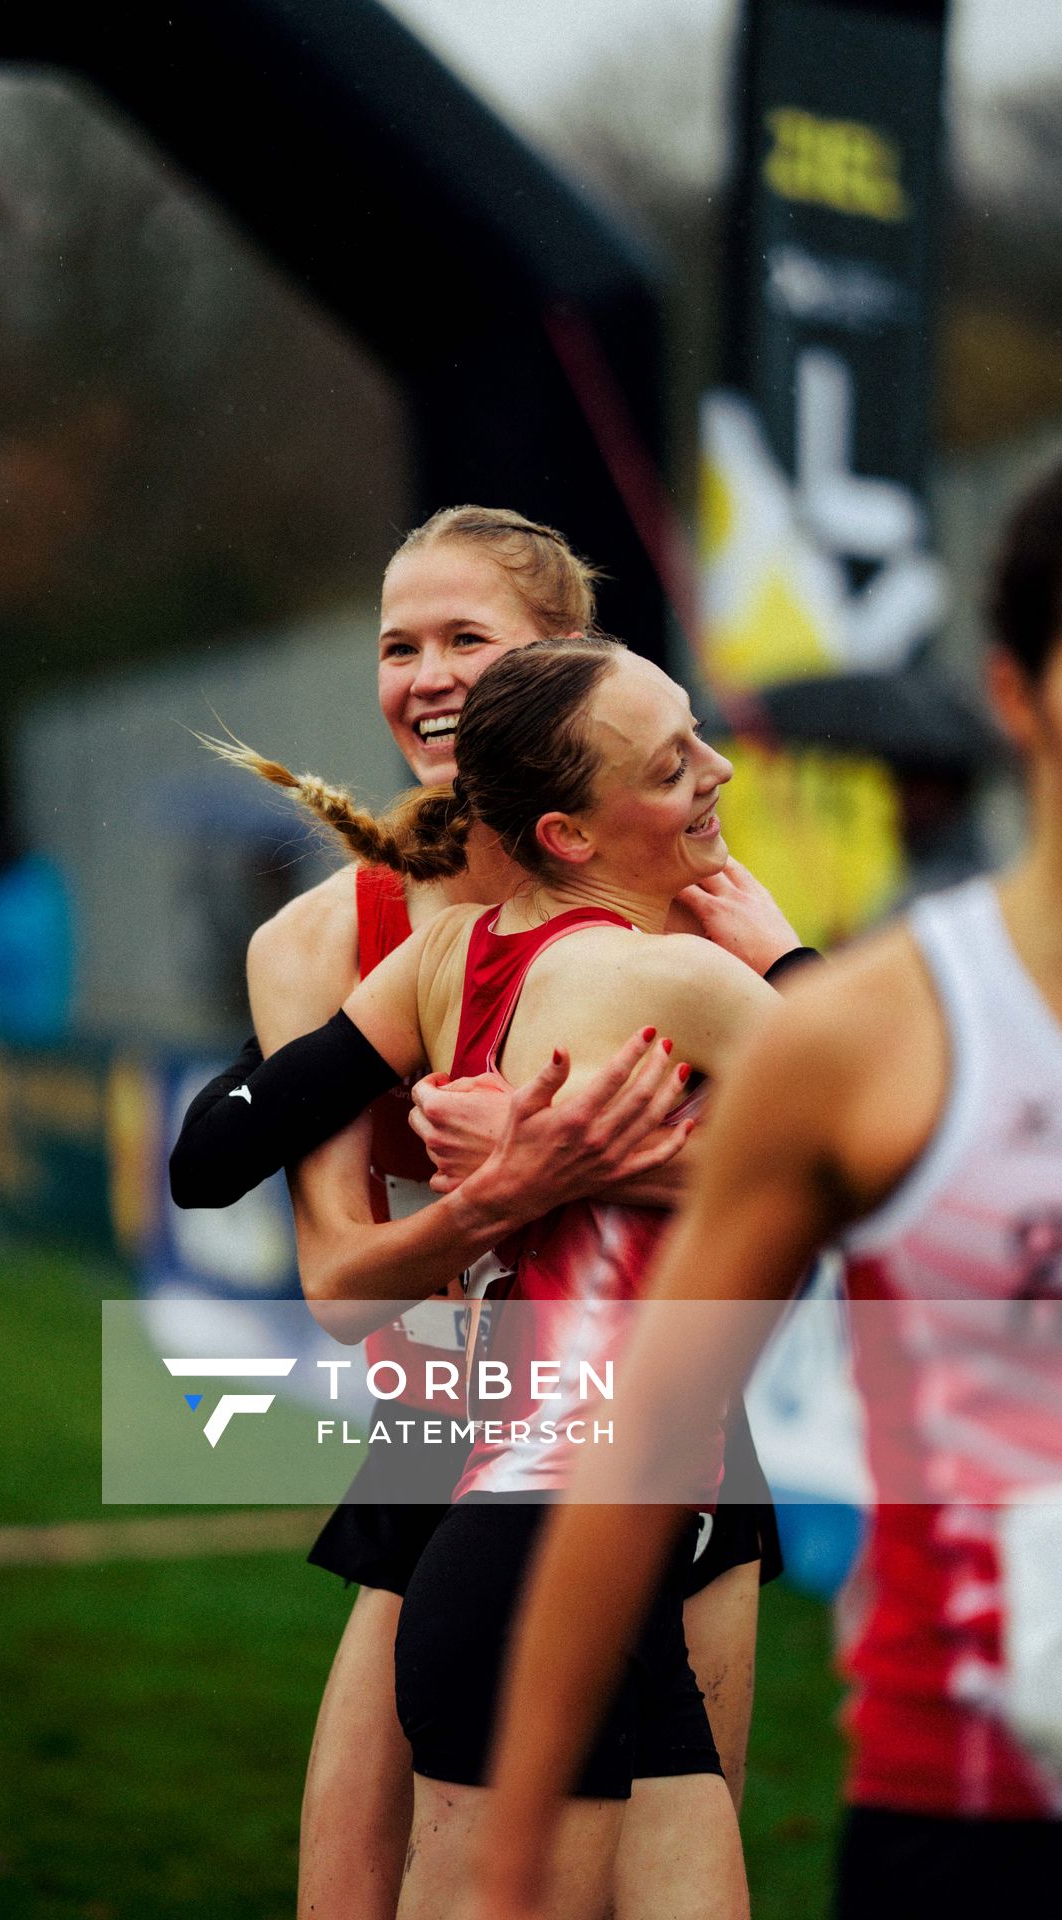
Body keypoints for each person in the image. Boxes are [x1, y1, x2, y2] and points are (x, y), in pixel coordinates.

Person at [170, 510, 794, 1915]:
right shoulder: (345, 941)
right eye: (400, 646)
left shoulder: (682, 884)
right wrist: (505, 1193)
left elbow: (826, 1164)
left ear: (568, 667)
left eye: (469, 639)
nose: (431, 676)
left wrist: (580, 1162)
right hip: (457, 1446)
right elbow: (332, 1277)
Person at [473, 461, 1062, 1920]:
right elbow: (636, 1459)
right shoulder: (868, 1037)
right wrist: (507, 1875)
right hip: (975, 1826)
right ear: (1016, 694)